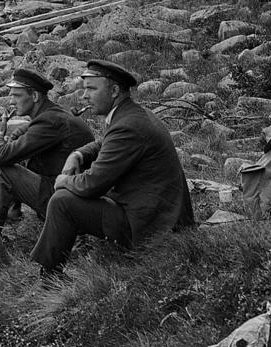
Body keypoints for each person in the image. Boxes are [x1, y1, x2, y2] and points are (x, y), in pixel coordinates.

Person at [31, 59, 196, 276]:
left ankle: (49, 275)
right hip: (158, 214)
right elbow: (104, 143)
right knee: (72, 192)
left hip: (151, 227)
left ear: (115, 91)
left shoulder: (127, 126)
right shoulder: (132, 114)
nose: (84, 96)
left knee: (62, 200)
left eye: (91, 89)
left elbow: (92, 184)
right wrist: (77, 154)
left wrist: (64, 181)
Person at [0, 67, 94, 225]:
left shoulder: (50, 121)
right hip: (70, 192)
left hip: (66, 201)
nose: (11, 101)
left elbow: (1, 156)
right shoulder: (52, 114)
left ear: (35, 96)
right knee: (16, 156)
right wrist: (12, 137)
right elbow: (26, 132)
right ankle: (12, 213)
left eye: (16, 96)